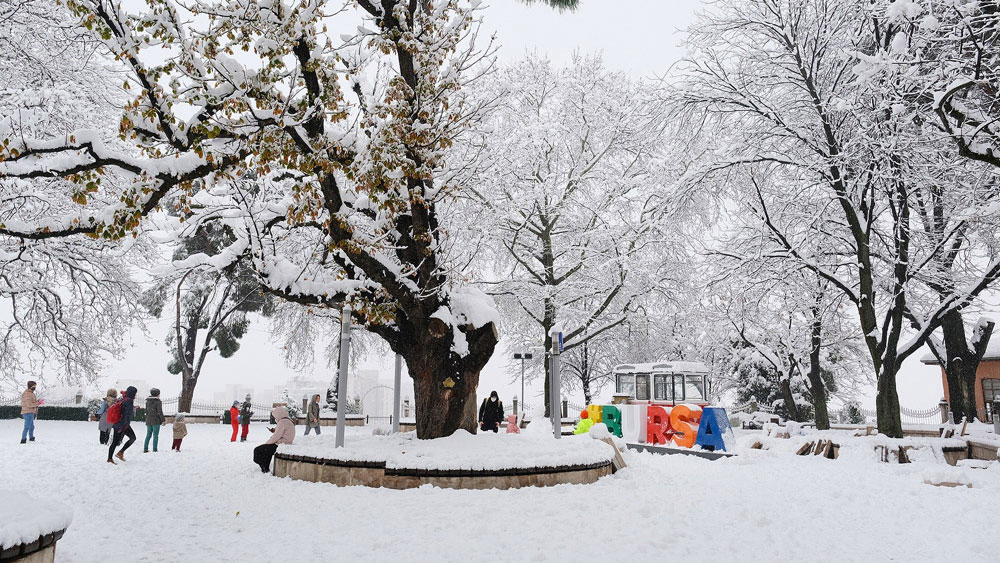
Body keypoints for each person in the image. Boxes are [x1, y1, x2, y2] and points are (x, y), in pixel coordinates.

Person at [253, 406, 295, 473]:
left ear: (279, 414)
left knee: (257, 450)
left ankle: (264, 467)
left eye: (275, 416)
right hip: (286, 443)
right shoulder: (288, 421)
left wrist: (267, 443)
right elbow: (282, 432)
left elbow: (276, 436)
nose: (275, 418)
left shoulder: (282, 422)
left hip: (281, 444)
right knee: (267, 451)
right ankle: (265, 468)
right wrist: (275, 430)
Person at [108, 386, 138, 464]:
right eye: (135, 393)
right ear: (132, 393)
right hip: (123, 424)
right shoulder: (129, 400)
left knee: (116, 441)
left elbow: (123, 410)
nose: (136, 395)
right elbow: (127, 415)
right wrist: (123, 427)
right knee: (132, 438)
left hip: (118, 422)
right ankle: (114, 456)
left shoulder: (124, 398)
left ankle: (116, 455)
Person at [143, 388, 165, 453]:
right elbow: (160, 412)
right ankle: (155, 449)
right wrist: (163, 420)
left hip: (149, 420)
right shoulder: (158, 402)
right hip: (156, 421)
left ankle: (145, 448)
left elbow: (146, 411)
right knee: (155, 435)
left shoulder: (147, 401)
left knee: (148, 435)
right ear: (157, 394)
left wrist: (147, 419)